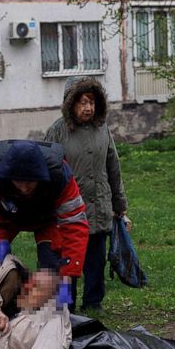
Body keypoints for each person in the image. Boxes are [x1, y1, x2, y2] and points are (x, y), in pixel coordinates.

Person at [0, 139, 89, 311]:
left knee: (55, 268)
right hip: (5, 217)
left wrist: (69, 273)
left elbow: (75, 224)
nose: (25, 188)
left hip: (48, 220)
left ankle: (63, 319)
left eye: (31, 182)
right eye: (19, 182)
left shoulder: (60, 178)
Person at [44, 75, 129, 312]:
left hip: (99, 206)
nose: (88, 107)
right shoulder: (57, 132)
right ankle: (65, 304)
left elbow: (113, 167)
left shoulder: (102, 130)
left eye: (91, 102)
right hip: (69, 213)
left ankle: (93, 302)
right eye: (82, 102)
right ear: (70, 104)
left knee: (96, 260)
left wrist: (120, 205)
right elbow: (47, 172)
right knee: (67, 262)